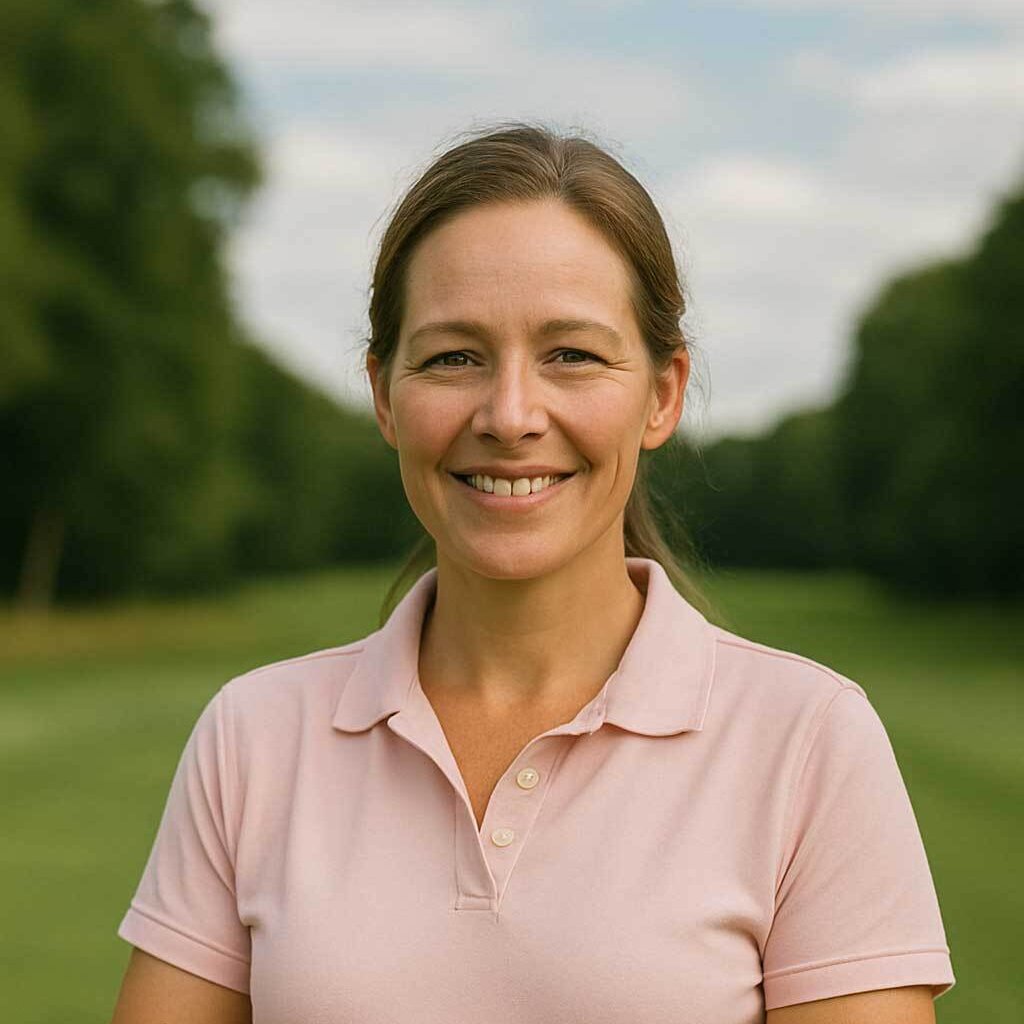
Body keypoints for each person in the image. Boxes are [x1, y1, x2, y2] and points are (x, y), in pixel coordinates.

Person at [110, 121, 955, 1024]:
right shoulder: (252, 739)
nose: (510, 414)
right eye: (453, 357)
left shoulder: (809, 741)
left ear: (662, 393)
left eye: (572, 355)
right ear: (384, 394)